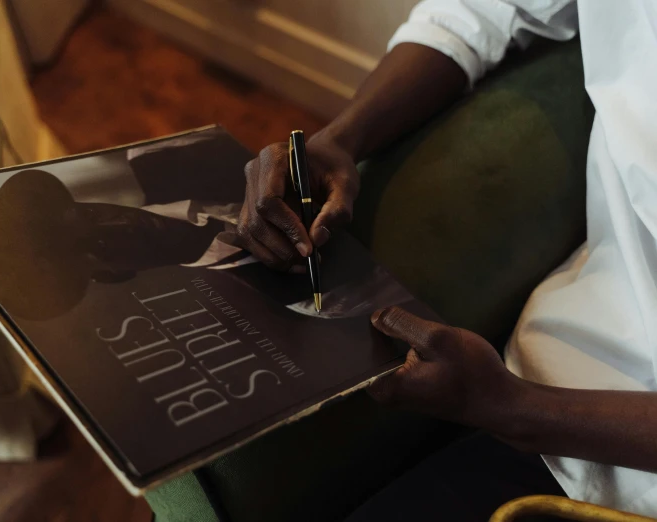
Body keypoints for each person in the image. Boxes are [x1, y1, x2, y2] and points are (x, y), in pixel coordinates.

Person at [236, 0, 657, 519]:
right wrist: (341, 140)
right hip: (573, 364)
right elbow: (482, 9)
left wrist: (518, 410)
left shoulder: (521, 408)